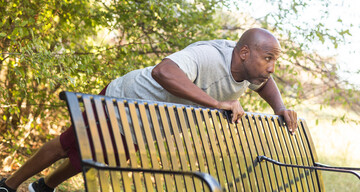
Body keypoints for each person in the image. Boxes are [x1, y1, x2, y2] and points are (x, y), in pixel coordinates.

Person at [0, 28, 297, 192]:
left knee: (91, 159)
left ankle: (42, 188)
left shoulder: (250, 73)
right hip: (123, 102)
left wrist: (280, 107)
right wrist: (218, 104)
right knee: (69, 145)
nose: (271, 68)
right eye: (267, 58)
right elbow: (164, 72)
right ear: (245, 53)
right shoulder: (208, 56)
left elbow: (266, 85)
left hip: (144, 126)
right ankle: (10, 186)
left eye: (274, 61)